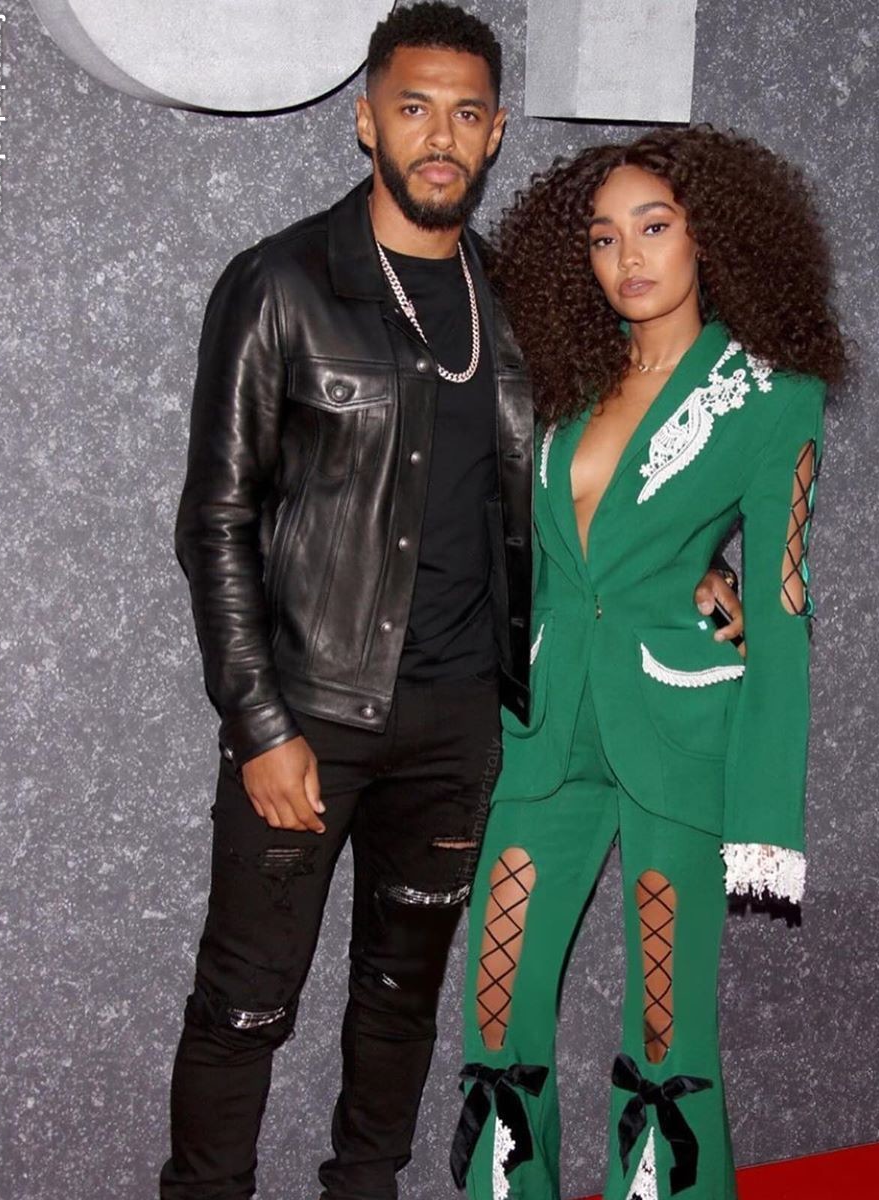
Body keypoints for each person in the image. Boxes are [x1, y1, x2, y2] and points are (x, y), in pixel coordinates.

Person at [160, 6, 742, 1198]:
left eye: (466, 113)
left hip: (464, 723)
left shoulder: (521, 300)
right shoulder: (283, 284)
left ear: (497, 131)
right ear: (366, 120)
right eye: (414, 108)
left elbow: (597, 468)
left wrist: (690, 560)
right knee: (245, 1005)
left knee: (400, 999)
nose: (440, 136)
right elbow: (215, 520)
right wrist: (259, 723)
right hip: (310, 716)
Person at [451, 128, 848, 1200]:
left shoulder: (773, 396)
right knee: (496, 1012)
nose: (628, 257)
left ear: (707, 236)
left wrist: (767, 811)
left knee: (666, 1034)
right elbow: (541, 553)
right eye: (603, 237)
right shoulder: (556, 375)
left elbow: (783, 605)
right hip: (543, 727)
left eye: (654, 227)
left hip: (678, 732)